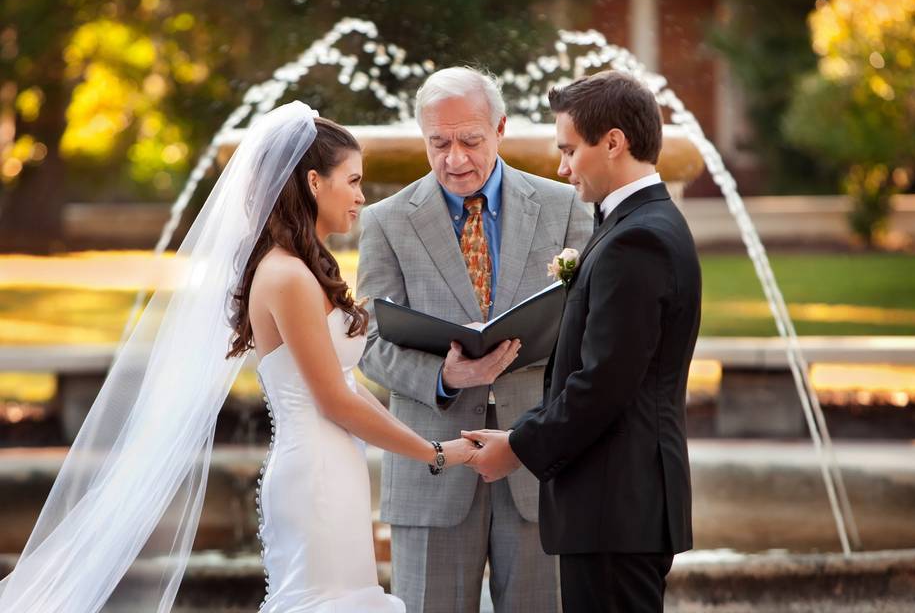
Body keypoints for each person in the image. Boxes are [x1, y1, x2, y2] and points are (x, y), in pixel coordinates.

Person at [0, 101, 474, 613]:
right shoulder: (288, 276)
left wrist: (435, 437)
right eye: (353, 181)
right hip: (315, 479)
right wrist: (438, 454)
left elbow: (347, 387)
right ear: (314, 183)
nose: (361, 196)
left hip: (333, 470)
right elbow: (335, 401)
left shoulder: (302, 267)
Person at [464, 70, 702, 613]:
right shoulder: (639, 225)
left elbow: (604, 384)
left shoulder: (637, 239)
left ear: (613, 142)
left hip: (615, 506)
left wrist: (517, 447)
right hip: (616, 507)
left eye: (570, 150)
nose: (562, 167)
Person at [357, 67, 593, 612]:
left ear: (501, 128)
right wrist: (443, 376)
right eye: (438, 143)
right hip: (432, 466)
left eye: (470, 141)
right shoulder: (386, 222)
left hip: (538, 463)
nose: (454, 159)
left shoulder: (562, 208)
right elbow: (368, 341)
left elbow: (589, 327)